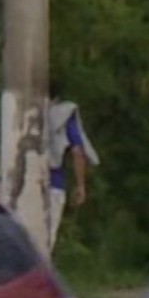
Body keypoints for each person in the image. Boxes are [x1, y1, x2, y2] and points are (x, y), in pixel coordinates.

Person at [47, 97, 98, 248]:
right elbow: (77, 151)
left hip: (18, 182)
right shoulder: (63, 113)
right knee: (46, 242)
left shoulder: (17, 107)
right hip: (53, 184)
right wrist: (81, 186)